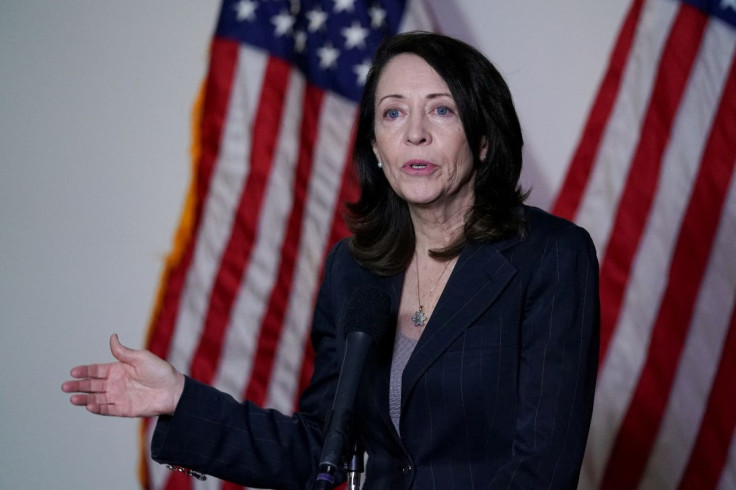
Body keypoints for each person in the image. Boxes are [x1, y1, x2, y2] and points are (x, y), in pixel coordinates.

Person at [62, 31, 599, 489]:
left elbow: (543, 473)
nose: (415, 132)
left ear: (482, 140)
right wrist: (181, 398)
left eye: (442, 109)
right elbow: (323, 442)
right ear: (377, 148)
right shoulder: (355, 267)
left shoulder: (550, 257)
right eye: (393, 113)